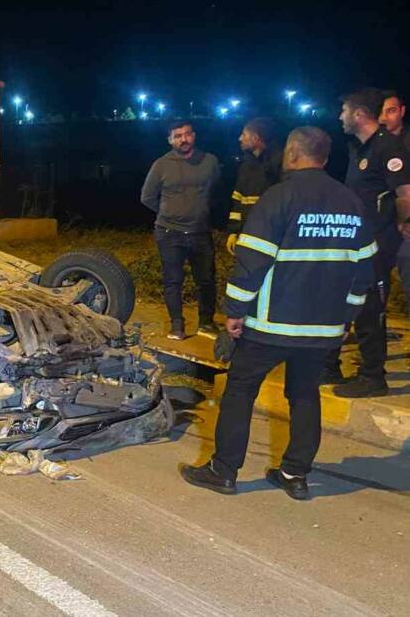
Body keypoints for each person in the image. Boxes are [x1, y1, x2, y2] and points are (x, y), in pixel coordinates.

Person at [180, 127, 376, 500]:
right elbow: (364, 271)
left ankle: (223, 471)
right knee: (304, 395)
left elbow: (251, 262)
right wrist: (347, 316)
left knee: (239, 391)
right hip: (322, 329)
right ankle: (295, 475)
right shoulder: (351, 203)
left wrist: (234, 312)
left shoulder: (278, 198)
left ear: (291, 154)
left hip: (270, 325)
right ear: (325, 157)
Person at [326, 88, 410, 397]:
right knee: (354, 304)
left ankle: (373, 376)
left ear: (359, 114)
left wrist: (403, 223)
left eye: (344, 111)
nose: (340, 117)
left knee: (370, 307)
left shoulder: (388, 148)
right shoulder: (359, 149)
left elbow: (406, 194)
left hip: (378, 244)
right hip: (357, 242)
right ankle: (332, 366)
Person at [140, 120, 222, 340]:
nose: (183, 139)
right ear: (170, 140)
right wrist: (168, 213)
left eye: (187, 134)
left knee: (206, 280)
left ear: (194, 136)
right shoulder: (161, 165)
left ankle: (206, 323)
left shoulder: (209, 161)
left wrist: (201, 211)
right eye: (178, 136)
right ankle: (177, 326)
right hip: (169, 233)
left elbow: (215, 192)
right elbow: (147, 197)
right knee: (173, 280)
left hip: (200, 232)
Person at [226, 118, 281, 253]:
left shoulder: (279, 164)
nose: (240, 138)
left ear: (255, 138)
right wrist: (234, 231)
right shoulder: (247, 165)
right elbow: (238, 200)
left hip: (272, 236)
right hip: (248, 233)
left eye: (244, 135)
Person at [380, 92, 410, 318]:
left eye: (391, 111)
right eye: (381, 112)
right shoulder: (371, 145)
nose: (384, 117)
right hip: (383, 224)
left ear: (402, 111)